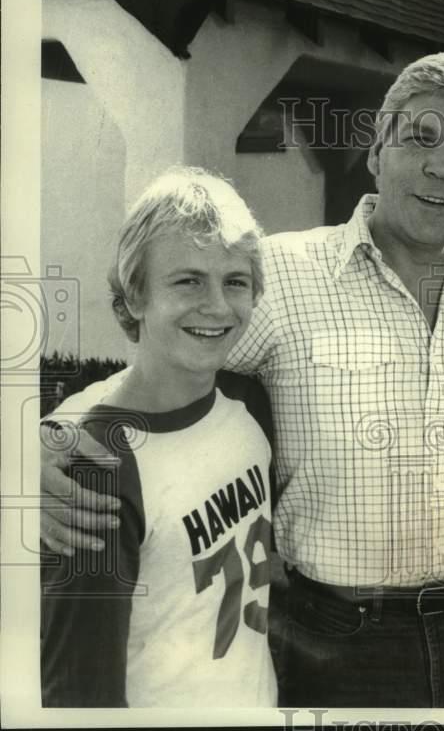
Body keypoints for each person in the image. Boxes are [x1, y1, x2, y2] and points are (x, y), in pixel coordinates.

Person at [39, 53, 444, 708]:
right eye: (420, 138)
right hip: (337, 643)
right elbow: (162, 365)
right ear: (377, 150)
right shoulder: (284, 274)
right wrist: (46, 437)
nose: (441, 165)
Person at [40, 168, 277, 707]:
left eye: (234, 280)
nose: (217, 305)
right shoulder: (94, 468)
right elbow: (78, 697)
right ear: (135, 297)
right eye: (188, 280)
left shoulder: (249, 409)